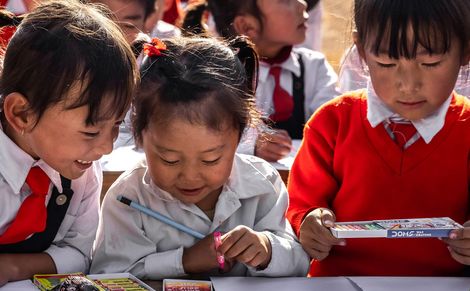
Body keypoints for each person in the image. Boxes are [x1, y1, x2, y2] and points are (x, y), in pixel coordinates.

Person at [90, 36, 310, 279]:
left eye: (211, 159)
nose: (190, 176)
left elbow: (299, 264)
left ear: (240, 137)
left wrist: (268, 249)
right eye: (170, 160)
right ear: (140, 138)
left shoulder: (262, 184)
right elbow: (108, 276)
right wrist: (183, 261)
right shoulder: (128, 198)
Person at [286, 0, 470, 276]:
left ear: (465, 50)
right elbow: (298, 207)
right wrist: (309, 223)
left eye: (430, 63)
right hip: (340, 282)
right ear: (361, 50)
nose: (408, 84)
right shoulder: (332, 123)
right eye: (387, 62)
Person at [0, 0, 138, 285]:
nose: (106, 148)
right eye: (90, 132)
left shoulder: (80, 169)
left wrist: (10, 268)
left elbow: (78, 252)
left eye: (115, 126)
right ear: (21, 113)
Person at [183, 0, 340, 162]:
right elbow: (202, 136)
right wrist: (251, 145)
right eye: (285, 1)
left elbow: (334, 128)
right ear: (246, 26)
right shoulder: (216, 75)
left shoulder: (313, 67)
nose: (302, 4)